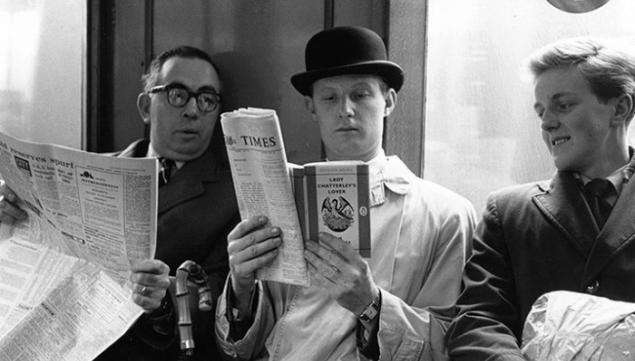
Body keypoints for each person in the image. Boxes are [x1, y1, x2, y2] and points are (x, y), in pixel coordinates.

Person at [215, 26, 477, 360]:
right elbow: (238, 348)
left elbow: (452, 343)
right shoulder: (280, 202)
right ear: (311, 107)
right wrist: (241, 286)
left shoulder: (445, 214)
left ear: (389, 101)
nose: (346, 110)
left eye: (361, 94)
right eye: (330, 98)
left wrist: (372, 304)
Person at [0, 46, 240, 361]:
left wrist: (163, 298)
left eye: (207, 99)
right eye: (177, 94)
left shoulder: (231, 197)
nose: (193, 110)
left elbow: (224, 301)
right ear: (145, 106)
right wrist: (10, 216)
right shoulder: (89, 171)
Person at [445, 37, 635, 360]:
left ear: (620, 108)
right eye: (540, 111)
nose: (546, 122)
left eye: (563, 105)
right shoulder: (507, 213)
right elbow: (477, 320)